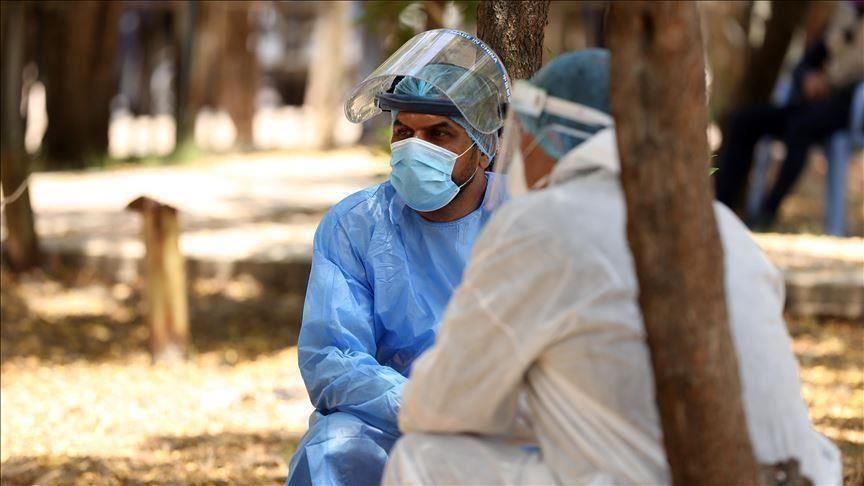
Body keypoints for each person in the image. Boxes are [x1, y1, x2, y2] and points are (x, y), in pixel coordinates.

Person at [383, 49, 842, 485]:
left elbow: (436, 406)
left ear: (554, 137)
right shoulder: (722, 226)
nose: (518, 154)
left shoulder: (542, 224)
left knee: (421, 458)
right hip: (794, 476)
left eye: (525, 135)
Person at [286, 30, 511, 486]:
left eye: (439, 133)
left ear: (482, 146)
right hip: (396, 424)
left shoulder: (527, 217)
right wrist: (427, 408)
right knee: (331, 447)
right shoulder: (356, 224)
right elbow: (332, 359)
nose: (415, 147)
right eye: (404, 132)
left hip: (509, 429)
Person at [716, 0, 864, 229]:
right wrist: (807, 79)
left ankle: (767, 212)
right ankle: (721, 207)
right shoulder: (844, 16)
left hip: (845, 112)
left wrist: (832, 87)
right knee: (745, 121)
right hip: (807, 105)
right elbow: (806, 63)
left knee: (800, 128)